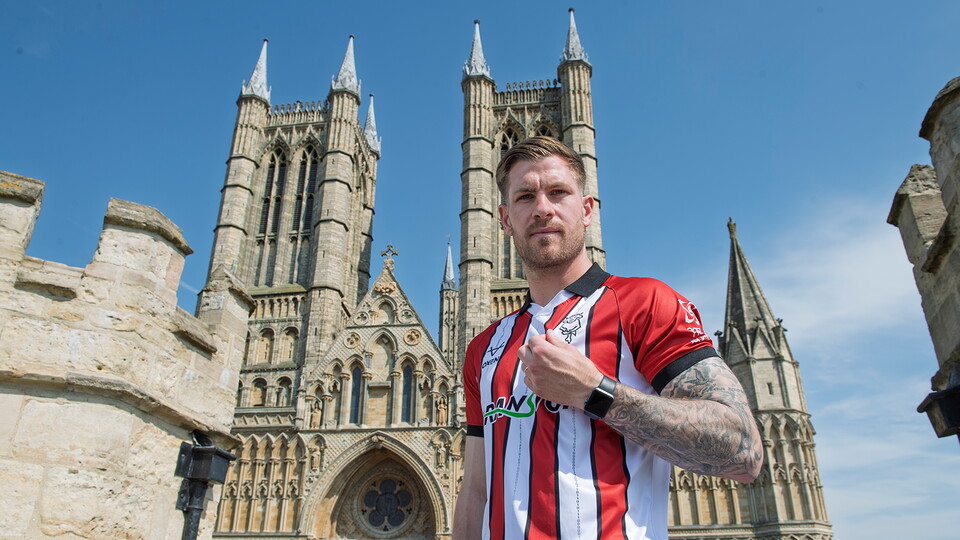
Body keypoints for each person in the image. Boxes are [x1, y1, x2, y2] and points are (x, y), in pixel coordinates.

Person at [453, 137, 762, 540]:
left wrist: (595, 392)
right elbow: (476, 491)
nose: (543, 207)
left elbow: (743, 451)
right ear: (505, 218)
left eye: (558, 192)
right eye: (525, 196)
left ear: (586, 210)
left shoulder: (645, 303)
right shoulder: (483, 350)